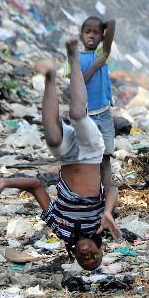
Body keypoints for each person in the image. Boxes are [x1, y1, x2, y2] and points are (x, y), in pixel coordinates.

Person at [0, 38, 122, 271]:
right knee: (78, 113)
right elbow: (112, 190)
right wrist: (108, 212)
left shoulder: (60, 229)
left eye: (83, 260)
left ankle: (49, 76)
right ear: (100, 249)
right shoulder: (101, 225)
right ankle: (74, 60)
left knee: (52, 136)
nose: (87, 256)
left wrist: (6, 182)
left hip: (68, 157)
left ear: (75, 256)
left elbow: (37, 186)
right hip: (90, 154)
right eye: (94, 258)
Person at [62, 16, 116, 191]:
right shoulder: (74, 57)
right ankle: (87, 195)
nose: (91, 36)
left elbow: (112, 25)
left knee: (105, 158)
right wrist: (94, 66)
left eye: (96, 33)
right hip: (84, 117)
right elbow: (78, 84)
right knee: (86, 159)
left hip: (104, 114)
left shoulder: (102, 55)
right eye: (87, 32)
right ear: (80, 36)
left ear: (101, 37)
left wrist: (108, 25)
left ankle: (106, 198)